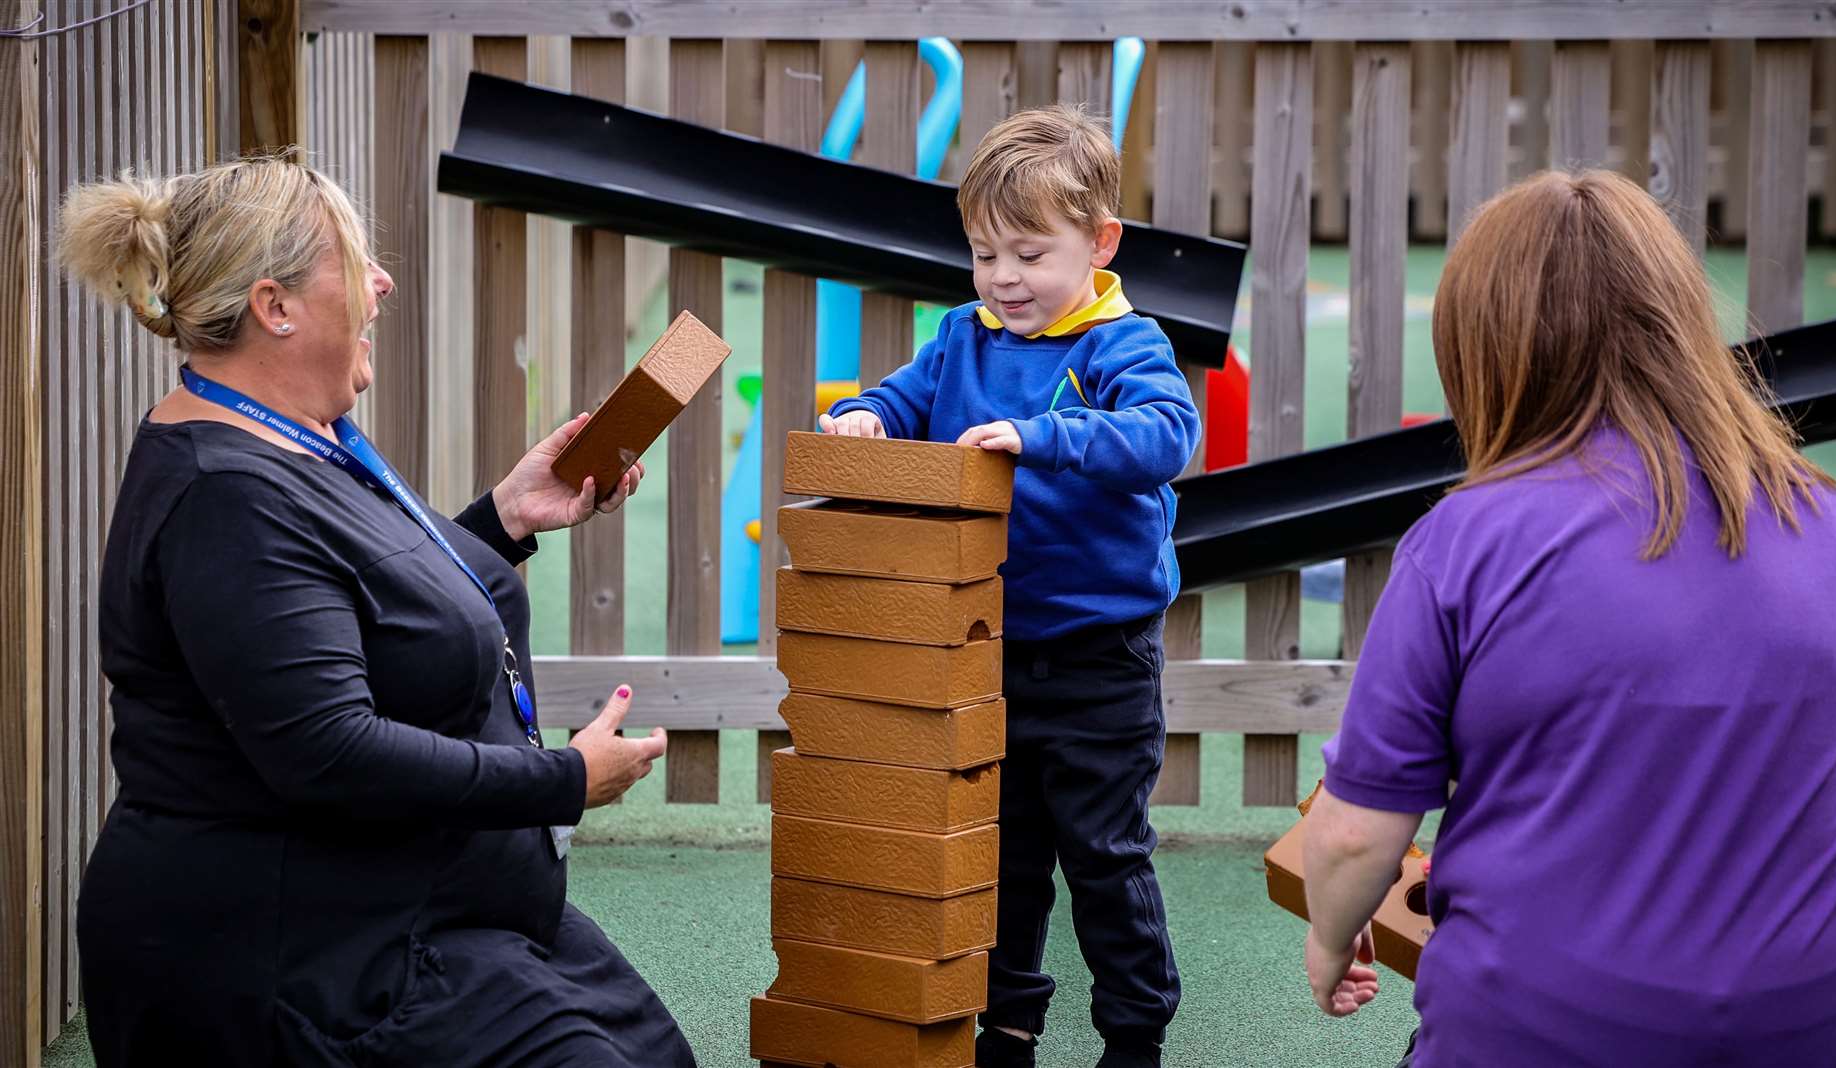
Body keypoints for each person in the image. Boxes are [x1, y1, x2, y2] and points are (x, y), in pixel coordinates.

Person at [62, 157, 698, 1067]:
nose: (382, 282)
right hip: (298, 961)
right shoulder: (222, 495)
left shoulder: (290, 438)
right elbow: (328, 749)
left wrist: (503, 521)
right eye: (358, 263)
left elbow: (362, 603)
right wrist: (562, 782)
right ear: (276, 307)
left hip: (423, 906)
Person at [1298, 169, 1836, 1066]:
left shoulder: (1464, 541)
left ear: (1489, 346)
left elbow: (1353, 837)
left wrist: (1327, 937)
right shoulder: (1821, 512)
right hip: (1829, 1023)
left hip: (1551, 1030)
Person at [818, 104, 1198, 1068]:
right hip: (985, 645)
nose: (1004, 278)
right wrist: (867, 415)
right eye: (987, 254)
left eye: (1029, 254)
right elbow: (905, 395)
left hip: (1101, 655)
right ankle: (1010, 1021)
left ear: (1099, 243)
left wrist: (1049, 438)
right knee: (1003, 850)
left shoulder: (1123, 344)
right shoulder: (963, 335)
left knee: (1104, 855)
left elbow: (1166, 437)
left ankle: (1135, 1031)